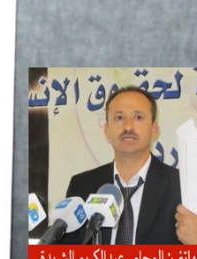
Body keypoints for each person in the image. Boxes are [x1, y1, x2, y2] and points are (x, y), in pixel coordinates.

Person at [63, 85, 182, 244]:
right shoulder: (81, 186)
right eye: (119, 118)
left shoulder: (181, 186)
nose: (128, 126)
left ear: (153, 129)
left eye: (138, 117)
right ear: (106, 130)